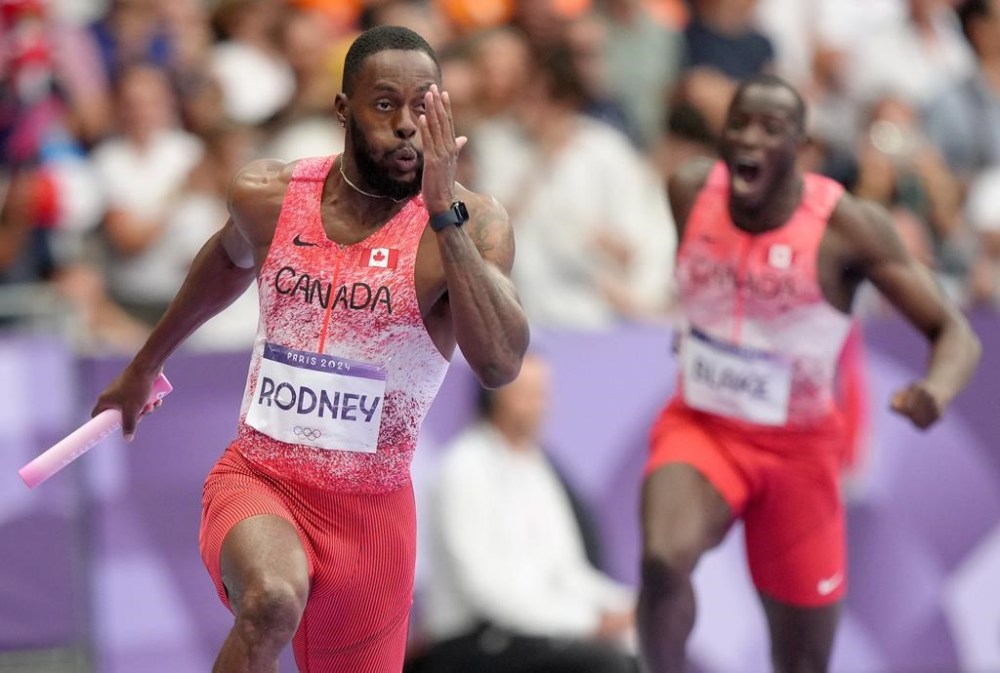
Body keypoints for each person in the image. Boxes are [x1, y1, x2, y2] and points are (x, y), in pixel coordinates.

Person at [91, 24, 530, 673]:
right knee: (271, 598)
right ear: (343, 109)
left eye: (424, 105)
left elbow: (498, 364)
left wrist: (443, 214)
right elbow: (228, 257)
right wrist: (145, 362)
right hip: (261, 477)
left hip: (372, 520)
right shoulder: (270, 196)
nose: (407, 124)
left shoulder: (471, 225)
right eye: (385, 103)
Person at [637, 74, 981, 673]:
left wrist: (937, 389)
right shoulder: (690, 191)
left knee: (800, 661)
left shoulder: (846, 228)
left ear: (802, 148)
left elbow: (955, 333)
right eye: (739, 123)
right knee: (664, 559)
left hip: (800, 453)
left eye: (771, 129)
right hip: (703, 427)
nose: (749, 138)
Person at [410, 352, 638, 673]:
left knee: (638, 650)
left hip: (537, 630)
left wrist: (629, 607)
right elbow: (486, 592)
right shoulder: (462, 468)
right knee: (605, 664)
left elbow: (567, 571)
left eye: (542, 395)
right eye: (528, 395)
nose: (539, 406)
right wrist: (585, 623)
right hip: (472, 639)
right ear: (496, 396)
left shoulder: (537, 468)